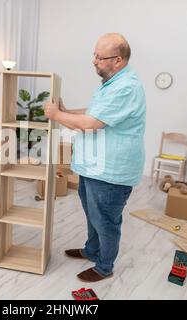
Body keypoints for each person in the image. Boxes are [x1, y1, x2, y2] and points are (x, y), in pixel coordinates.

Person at [45, 33, 146, 282]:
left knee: (106, 221)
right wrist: (67, 112)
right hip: (94, 167)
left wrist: (57, 116)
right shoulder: (112, 83)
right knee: (93, 214)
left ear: (118, 60)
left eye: (100, 57)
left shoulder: (126, 87)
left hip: (111, 172)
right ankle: (92, 250)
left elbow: (91, 124)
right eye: (95, 55)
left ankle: (104, 266)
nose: (94, 61)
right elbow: (94, 112)